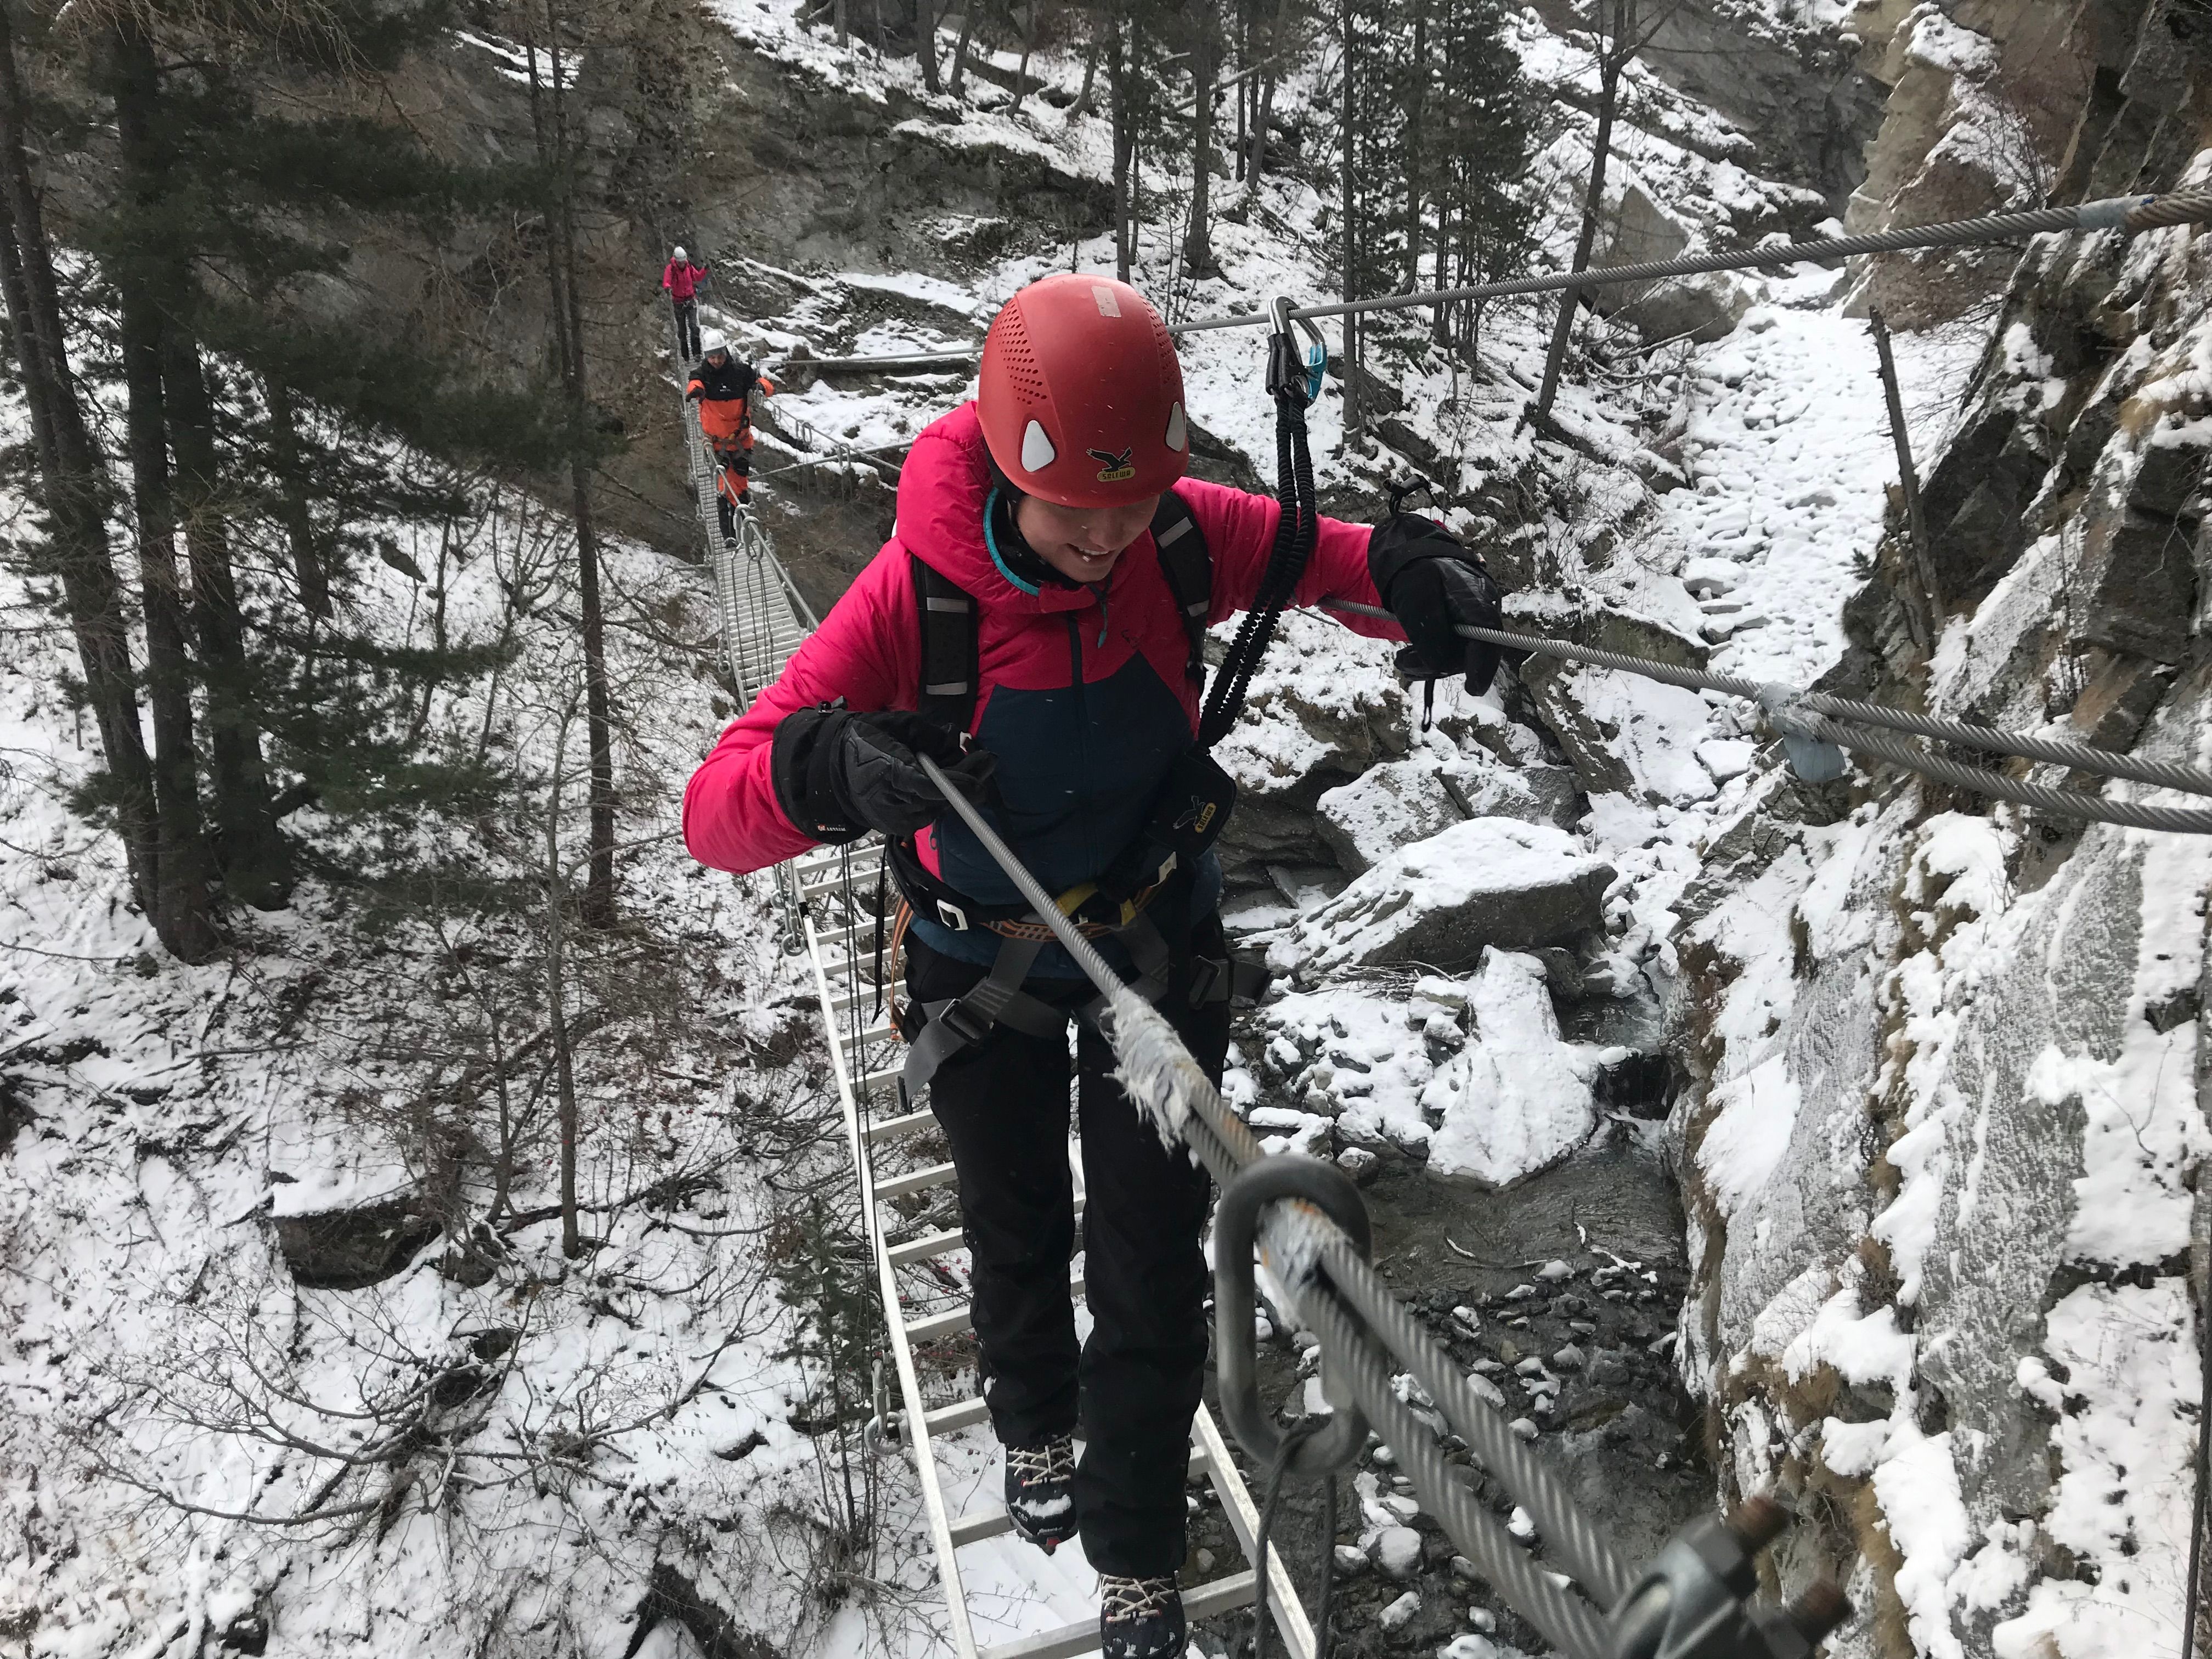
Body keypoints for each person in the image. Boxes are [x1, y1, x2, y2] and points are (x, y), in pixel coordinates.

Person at [681, 274, 1502, 1659]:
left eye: (1133, 509)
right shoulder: (912, 602)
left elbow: (1320, 558)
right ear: (1008, 466)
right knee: (1013, 1229)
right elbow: (719, 809)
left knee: (1150, 1261)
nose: (1109, 541)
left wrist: (1415, 574)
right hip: (976, 970)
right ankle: (1031, 1424)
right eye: (1079, 512)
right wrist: (831, 764)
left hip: (1152, 964)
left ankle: (1132, 1550)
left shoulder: (1168, 540)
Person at [686, 331, 776, 539]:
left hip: (740, 442)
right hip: (716, 445)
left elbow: (766, 385)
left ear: (725, 352)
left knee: (740, 485)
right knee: (723, 487)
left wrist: (761, 386)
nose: (716, 360)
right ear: (707, 357)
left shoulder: (741, 372)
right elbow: (694, 383)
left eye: (719, 355)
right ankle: (729, 536)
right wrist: (695, 391)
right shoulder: (701, 375)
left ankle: (743, 533)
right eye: (712, 357)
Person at [663, 245, 708, 359]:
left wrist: (705, 270)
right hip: (678, 302)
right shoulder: (671, 269)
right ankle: (685, 356)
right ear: (676, 261)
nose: (683, 263)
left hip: (690, 299)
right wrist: (668, 287)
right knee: (682, 331)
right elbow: (666, 281)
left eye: (684, 261)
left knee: (694, 327)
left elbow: (697, 277)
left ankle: (697, 353)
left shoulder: (689, 267)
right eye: (681, 262)